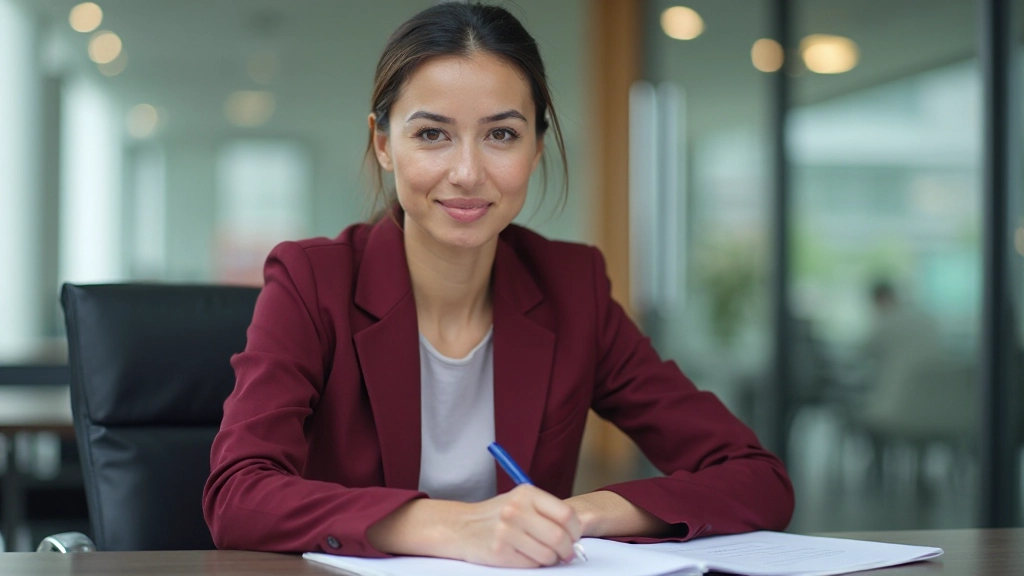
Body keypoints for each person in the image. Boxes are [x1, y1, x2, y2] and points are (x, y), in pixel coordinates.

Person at [203, 2, 793, 568]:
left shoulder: (571, 289)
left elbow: (755, 477)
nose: (467, 173)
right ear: (385, 144)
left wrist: (579, 515)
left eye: (502, 135)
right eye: (432, 134)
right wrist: (453, 527)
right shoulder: (314, 282)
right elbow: (237, 495)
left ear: (537, 148)